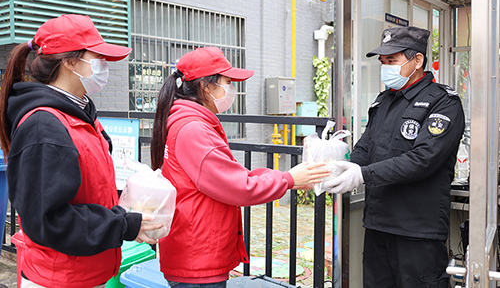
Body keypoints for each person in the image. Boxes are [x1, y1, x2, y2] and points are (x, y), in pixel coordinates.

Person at [0, 14, 162, 288]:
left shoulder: (80, 115)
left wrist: (127, 207)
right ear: (70, 62)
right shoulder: (44, 126)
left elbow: (88, 193)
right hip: (60, 278)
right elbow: (47, 220)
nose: (105, 65)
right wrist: (122, 225)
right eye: (97, 57)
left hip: (87, 272)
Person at [150, 46, 331, 287]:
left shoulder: (187, 121)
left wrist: (287, 177)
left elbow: (231, 175)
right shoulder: (194, 129)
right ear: (206, 86)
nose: (231, 89)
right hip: (197, 256)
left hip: (193, 248)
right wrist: (288, 179)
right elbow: (239, 186)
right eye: (227, 81)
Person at [324, 26, 465, 287]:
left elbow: (423, 159)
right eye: (382, 62)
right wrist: (343, 168)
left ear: (417, 61)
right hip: (378, 225)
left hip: (417, 231)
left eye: (392, 60)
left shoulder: (443, 102)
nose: (385, 67)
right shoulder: (384, 101)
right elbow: (366, 148)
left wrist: (362, 174)